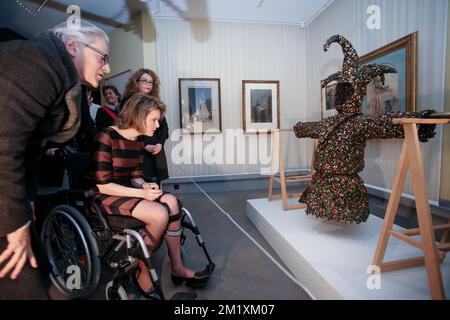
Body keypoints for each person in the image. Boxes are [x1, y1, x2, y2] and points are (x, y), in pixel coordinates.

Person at [0, 20, 110, 299]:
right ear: (73, 46)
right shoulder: (38, 63)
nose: (107, 68)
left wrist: (30, 199)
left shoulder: (58, 76)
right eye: (103, 58)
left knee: (35, 275)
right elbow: (5, 143)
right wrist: (15, 223)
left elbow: (31, 148)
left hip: (12, 191)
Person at [91, 94, 210, 299]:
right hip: (104, 195)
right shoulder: (106, 136)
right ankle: (141, 270)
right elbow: (102, 184)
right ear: (138, 116)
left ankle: (177, 268)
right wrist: (141, 192)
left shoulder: (136, 141)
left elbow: (136, 176)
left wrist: (145, 184)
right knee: (159, 215)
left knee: (172, 203)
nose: (157, 125)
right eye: (154, 119)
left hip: (127, 191)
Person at [122, 69, 169, 184]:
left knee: (157, 184)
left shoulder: (155, 102)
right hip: (137, 148)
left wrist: (160, 143)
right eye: (144, 81)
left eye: (151, 82)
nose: (148, 84)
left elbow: (164, 128)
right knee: (140, 183)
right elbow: (126, 128)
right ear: (136, 82)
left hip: (156, 148)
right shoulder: (128, 102)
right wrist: (144, 145)